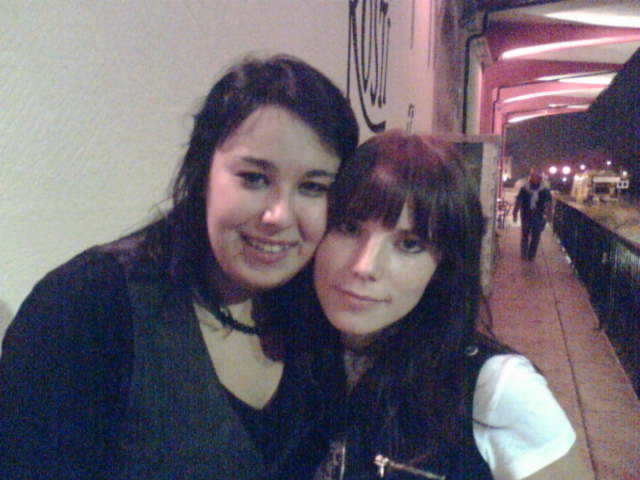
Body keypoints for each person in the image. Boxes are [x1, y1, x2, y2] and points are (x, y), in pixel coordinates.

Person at [0, 54, 359, 479]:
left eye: (313, 187)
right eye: (254, 178)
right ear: (203, 172)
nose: (278, 216)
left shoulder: (318, 309)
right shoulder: (89, 304)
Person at [309, 131, 590, 479]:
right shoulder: (289, 356)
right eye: (349, 227)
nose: (365, 266)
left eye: (410, 244)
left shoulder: (494, 390)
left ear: (443, 266)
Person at [512, 169, 552, 261]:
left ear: (540, 178)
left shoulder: (544, 190)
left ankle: (531, 255)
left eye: (536, 176)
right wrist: (515, 213)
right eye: (532, 176)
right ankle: (524, 254)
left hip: (538, 214)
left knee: (536, 236)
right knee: (525, 234)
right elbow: (519, 201)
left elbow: (549, 202)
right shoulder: (524, 188)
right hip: (526, 214)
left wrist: (549, 215)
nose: (534, 178)